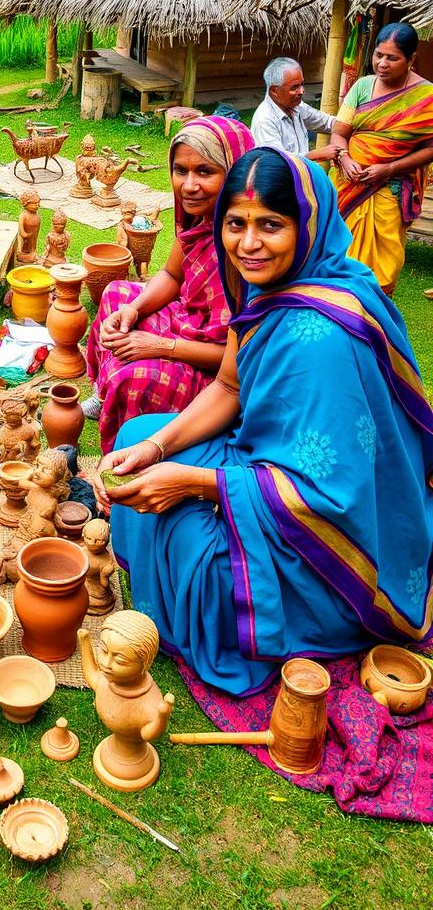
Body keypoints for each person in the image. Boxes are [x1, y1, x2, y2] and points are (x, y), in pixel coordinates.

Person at [97, 148, 433, 696]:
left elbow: (328, 495)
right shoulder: (266, 284)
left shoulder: (325, 336)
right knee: (135, 438)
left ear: (309, 224)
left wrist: (190, 483)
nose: (248, 244)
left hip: (330, 539)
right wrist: (156, 450)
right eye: (236, 224)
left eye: (270, 225)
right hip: (268, 461)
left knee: (193, 549)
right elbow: (230, 386)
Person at [84, 116, 255, 455]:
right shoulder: (200, 220)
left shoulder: (248, 246)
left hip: (219, 368)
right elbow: (173, 276)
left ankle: (127, 451)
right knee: (116, 295)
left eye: (205, 172)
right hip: (188, 322)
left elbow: (240, 361)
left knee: (134, 377)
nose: (189, 185)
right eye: (181, 171)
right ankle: (104, 395)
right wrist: (132, 310)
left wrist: (159, 346)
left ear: (236, 174)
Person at [328, 22, 433, 296]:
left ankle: (375, 317)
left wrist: (388, 168)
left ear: (411, 60)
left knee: (383, 267)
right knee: (338, 253)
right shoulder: (363, 86)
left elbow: (431, 148)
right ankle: (337, 310)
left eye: (392, 58)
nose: (382, 64)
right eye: (379, 55)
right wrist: (346, 158)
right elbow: (339, 133)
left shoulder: (427, 97)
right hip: (347, 183)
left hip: (390, 188)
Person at [251, 56, 336, 159]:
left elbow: (326, 122)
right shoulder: (265, 121)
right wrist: (314, 155)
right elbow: (276, 161)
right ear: (274, 91)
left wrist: (350, 125)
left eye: (302, 84)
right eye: (294, 87)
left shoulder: (297, 107)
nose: (302, 91)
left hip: (303, 173)